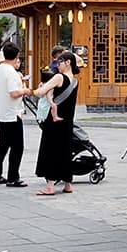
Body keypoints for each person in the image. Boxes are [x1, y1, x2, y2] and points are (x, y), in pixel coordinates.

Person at [34, 50, 80, 195]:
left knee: (50, 150)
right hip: (67, 121)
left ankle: (50, 186)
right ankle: (68, 184)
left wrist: (37, 88)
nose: (57, 64)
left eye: (60, 62)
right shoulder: (75, 80)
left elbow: (41, 92)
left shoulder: (59, 77)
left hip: (54, 121)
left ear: (68, 63)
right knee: (65, 150)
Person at [0, 43, 31, 187]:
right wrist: (25, 91)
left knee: (2, 145)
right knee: (17, 146)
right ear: (17, 55)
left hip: (2, 112)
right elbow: (14, 93)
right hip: (13, 113)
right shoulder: (11, 72)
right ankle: (13, 176)